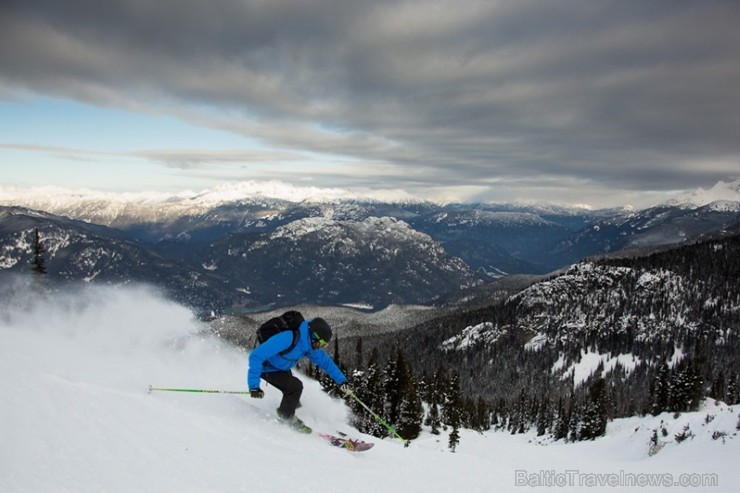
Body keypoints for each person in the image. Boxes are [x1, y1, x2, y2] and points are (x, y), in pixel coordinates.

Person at [247, 317, 351, 433]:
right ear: (313, 336)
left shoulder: (308, 346)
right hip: (266, 368)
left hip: (280, 368)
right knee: (295, 386)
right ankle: (286, 418)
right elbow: (256, 356)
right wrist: (254, 386)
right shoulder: (288, 338)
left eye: (324, 345)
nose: (320, 346)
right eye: (320, 343)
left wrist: (341, 380)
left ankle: (289, 413)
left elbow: (325, 362)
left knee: (294, 398)